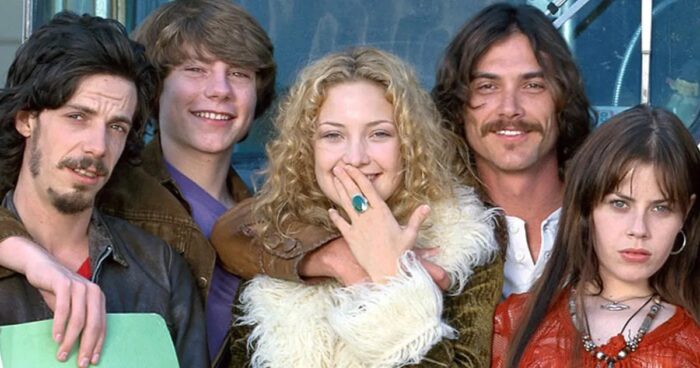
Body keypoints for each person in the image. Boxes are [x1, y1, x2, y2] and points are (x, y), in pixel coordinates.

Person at [0, 0, 275, 365]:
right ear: (25, 120)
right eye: (77, 116)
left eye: (116, 126)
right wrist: (27, 256)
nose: (97, 146)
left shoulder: (162, 267)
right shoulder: (120, 193)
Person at [215, 47, 501, 367]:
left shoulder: (459, 241)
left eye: (379, 133)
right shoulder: (274, 240)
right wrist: (341, 257)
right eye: (333, 135)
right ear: (307, 148)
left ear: (408, 143)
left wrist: (391, 282)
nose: (355, 157)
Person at [491, 105, 700, 367]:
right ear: (588, 205)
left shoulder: (693, 336)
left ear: (686, 212)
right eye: (620, 204)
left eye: (661, 208)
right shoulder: (516, 321)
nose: (639, 229)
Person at [433, 3, 594, 297]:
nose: (510, 109)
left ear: (563, 99)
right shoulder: (427, 229)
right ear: (458, 106)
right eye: (486, 87)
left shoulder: (612, 218)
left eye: (532, 85)